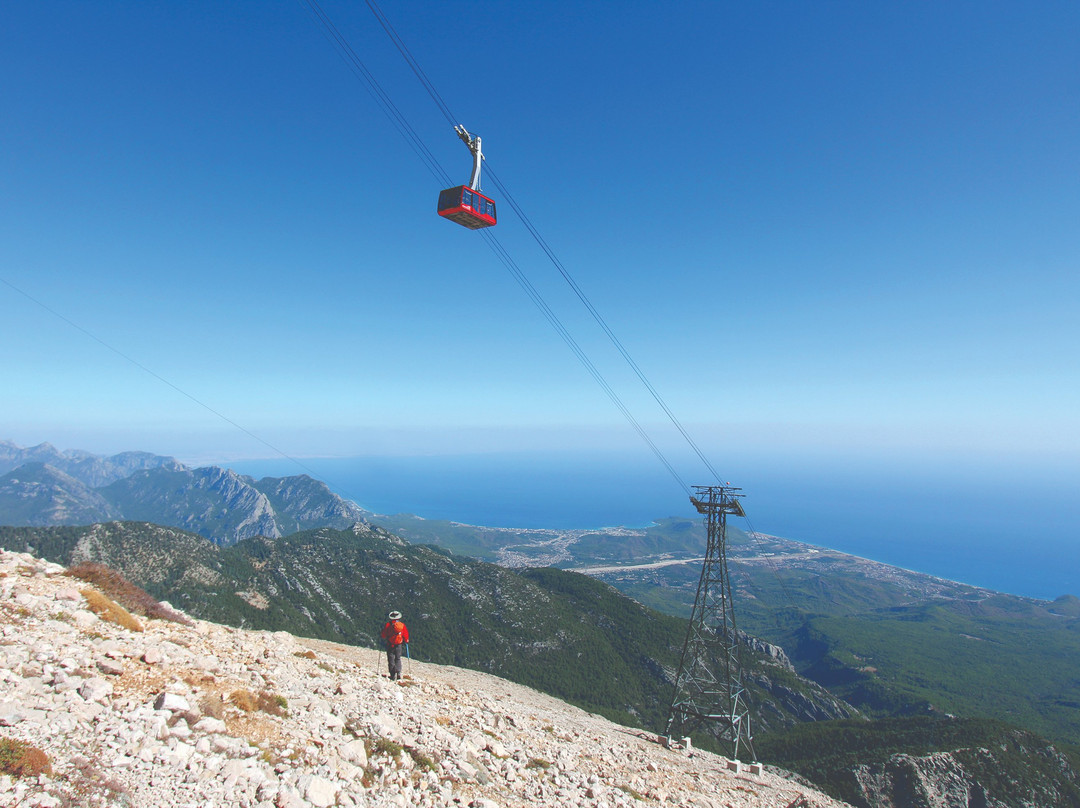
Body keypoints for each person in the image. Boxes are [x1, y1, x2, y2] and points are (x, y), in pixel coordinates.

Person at [380, 610, 409, 681]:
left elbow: (383, 635)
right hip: (399, 644)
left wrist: (383, 636)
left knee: (391, 659)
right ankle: (398, 673)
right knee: (398, 658)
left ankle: (392, 675)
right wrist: (406, 640)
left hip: (390, 644)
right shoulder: (402, 625)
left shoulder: (388, 625)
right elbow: (405, 635)